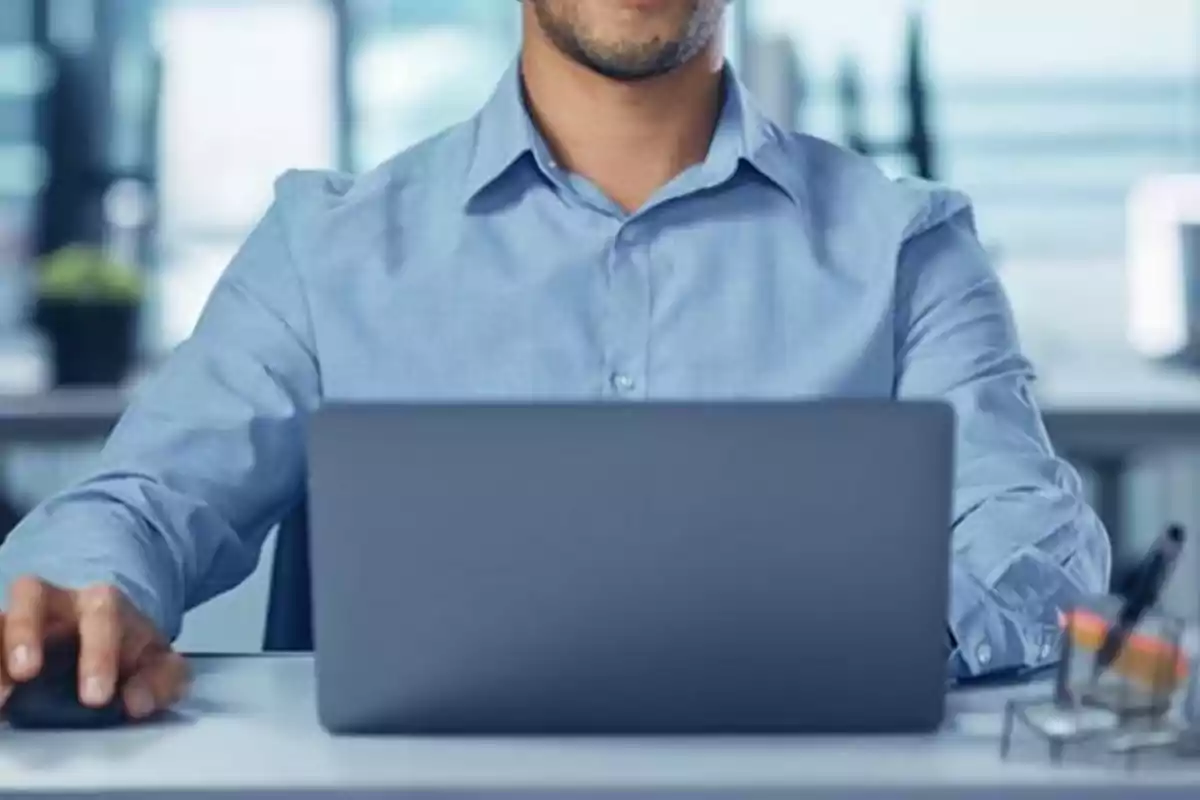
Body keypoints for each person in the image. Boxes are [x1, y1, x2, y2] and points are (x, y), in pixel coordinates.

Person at [0, 0, 1110, 721]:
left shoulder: (908, 246)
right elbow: (143, 500)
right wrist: (70, 597)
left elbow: (1035, 537)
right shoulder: (327, 245)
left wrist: (853, 634)